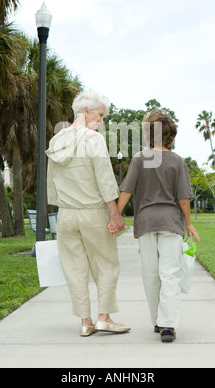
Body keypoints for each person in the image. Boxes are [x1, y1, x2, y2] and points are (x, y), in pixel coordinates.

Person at [46, 90, 130, 337]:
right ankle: (104, 317)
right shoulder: (93, 140)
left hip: (66, 215)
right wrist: (115, 215)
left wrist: (59, 208)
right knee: (106, 264)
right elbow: (105, 180)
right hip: (93, 212)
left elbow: (51, 182)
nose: (102, 121)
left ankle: (85, 321)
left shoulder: (55, 141)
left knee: (74, 269)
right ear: (85, 111)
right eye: (101, 115)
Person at [116, 109, 200, 343]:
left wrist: (115, 216)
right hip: (171, 224)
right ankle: (168, 325)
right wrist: (189, 224)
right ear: (169, 135)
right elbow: (183, 198)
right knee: (170, 274)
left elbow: (126, 190)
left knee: (151, 275)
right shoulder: (177, 160)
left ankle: (158, 320)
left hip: (145, 223)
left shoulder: (139, 158)